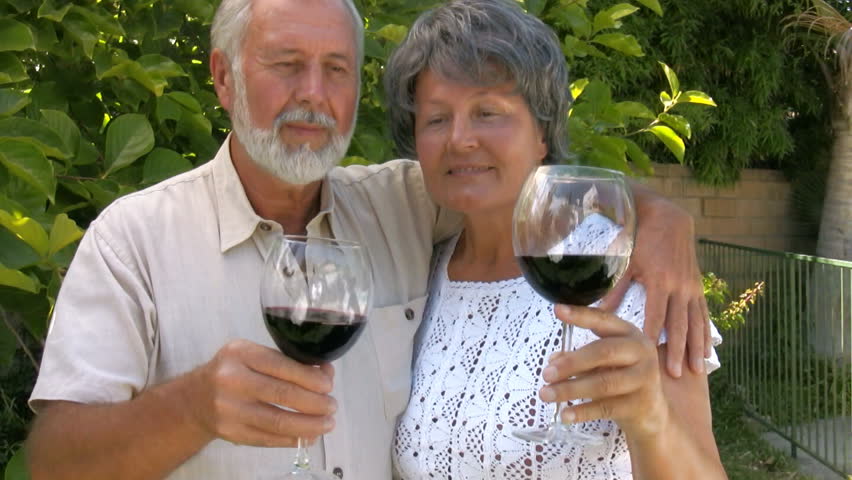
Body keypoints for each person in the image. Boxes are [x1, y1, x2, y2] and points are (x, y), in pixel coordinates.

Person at [25, 0, 709, 479]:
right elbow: (53, 463)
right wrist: (192, 408)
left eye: (337, 69)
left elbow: (518, 182)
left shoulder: (399, 207)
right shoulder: (134, 240)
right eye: (285, 63)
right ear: (224, 78)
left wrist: (661, 219)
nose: (313, 93)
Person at [386, 1, 727, 478]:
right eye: (437, 119)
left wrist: (652, 421)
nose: (459, 139)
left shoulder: (631, 273)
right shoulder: (416, 270)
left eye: (488, 112)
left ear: (543, 132)